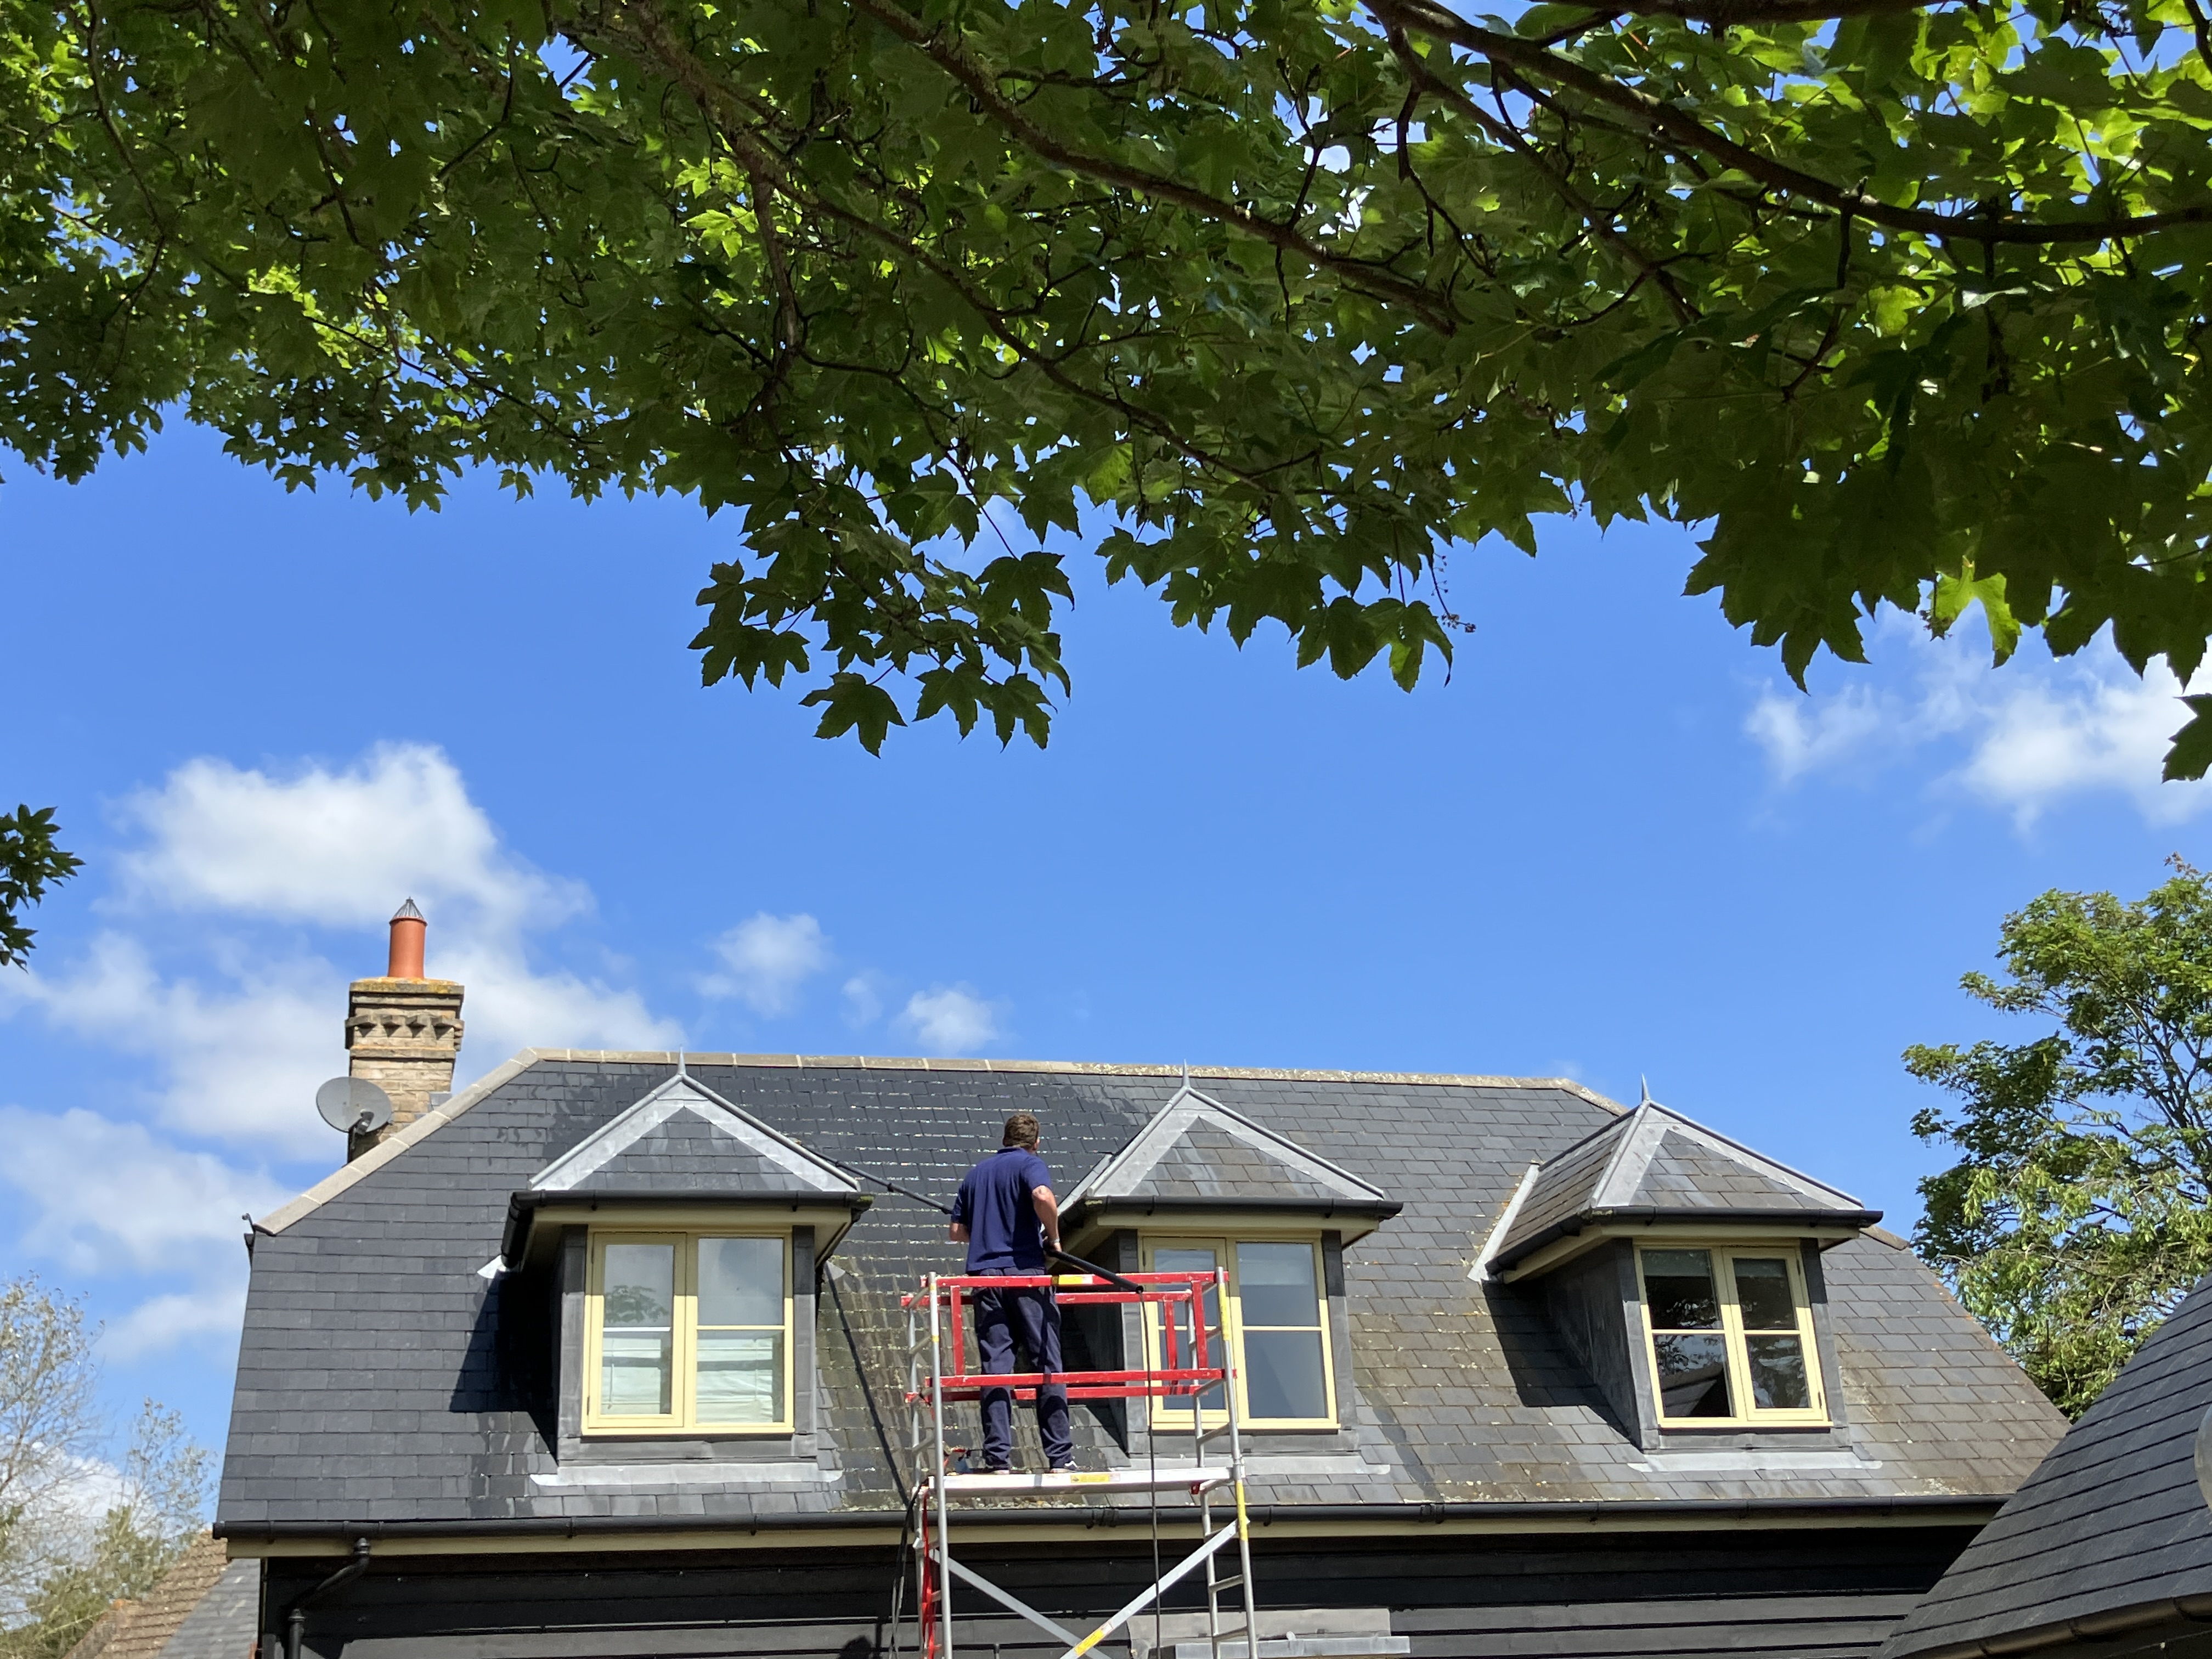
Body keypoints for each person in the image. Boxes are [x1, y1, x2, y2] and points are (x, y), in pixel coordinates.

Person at [949, 1112, 1075, 1473]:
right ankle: (1059, 1456)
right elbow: (1042, 1195)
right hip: (1025, 1276)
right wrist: (1052, 1237)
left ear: (1004, 1139)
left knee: (996, 1367)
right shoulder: (1030, 1165)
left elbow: (957, 1232)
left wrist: (989, 1233)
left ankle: (997, 1458)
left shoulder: (976, 1174)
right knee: (1047, 1362)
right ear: (1036, 1143)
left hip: (986, 1279)